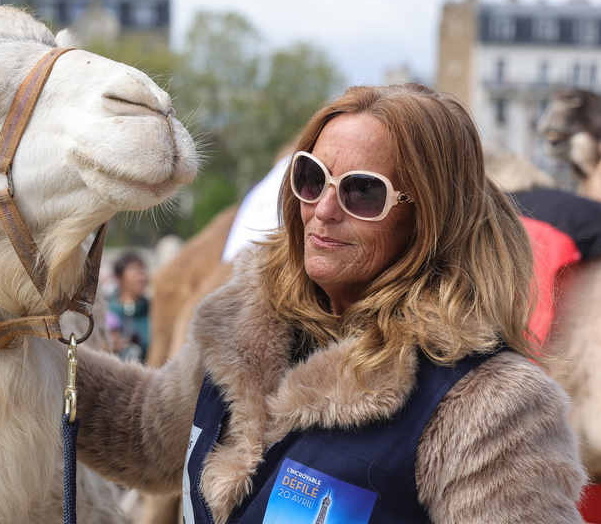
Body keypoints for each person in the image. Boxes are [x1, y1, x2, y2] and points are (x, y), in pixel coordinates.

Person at [74, 83, 586, 523]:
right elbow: (142, 434)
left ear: (430, 218)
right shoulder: (242, 325)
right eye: (310, 178)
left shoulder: (491, 408)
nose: (323, 209)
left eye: (363, 192)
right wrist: (20, 346)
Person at [105, 252, 151, 361]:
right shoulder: (106, 311)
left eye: (142, 270)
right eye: (134, 270)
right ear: (119, 277)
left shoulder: (152, 310)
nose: (141, 276)